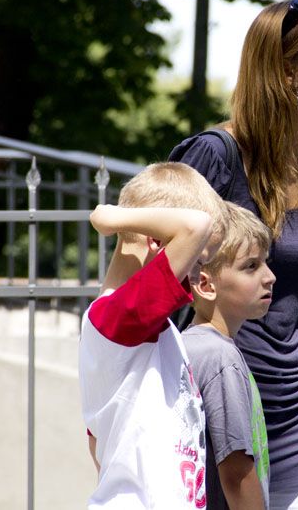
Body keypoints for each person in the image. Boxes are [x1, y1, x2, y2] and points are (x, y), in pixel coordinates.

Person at [170, 0, 298, 509]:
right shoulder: (215, 157)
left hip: (294, 413)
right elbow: (156, 273)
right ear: (288, 74)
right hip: (215, 413)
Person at [78, 162, 226, 509]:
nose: (197, 274)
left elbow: (96, 441)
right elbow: (196, 225)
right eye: (196, 260)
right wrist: (111, 218)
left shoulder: (136, 327)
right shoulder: (122, 317)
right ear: (160, 242)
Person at [183, 202, 276, 510]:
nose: (270, 276)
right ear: (206, 285)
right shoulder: (220, 357)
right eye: (251, 266)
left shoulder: (187, 344)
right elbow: (236, 470)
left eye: (265, 262)